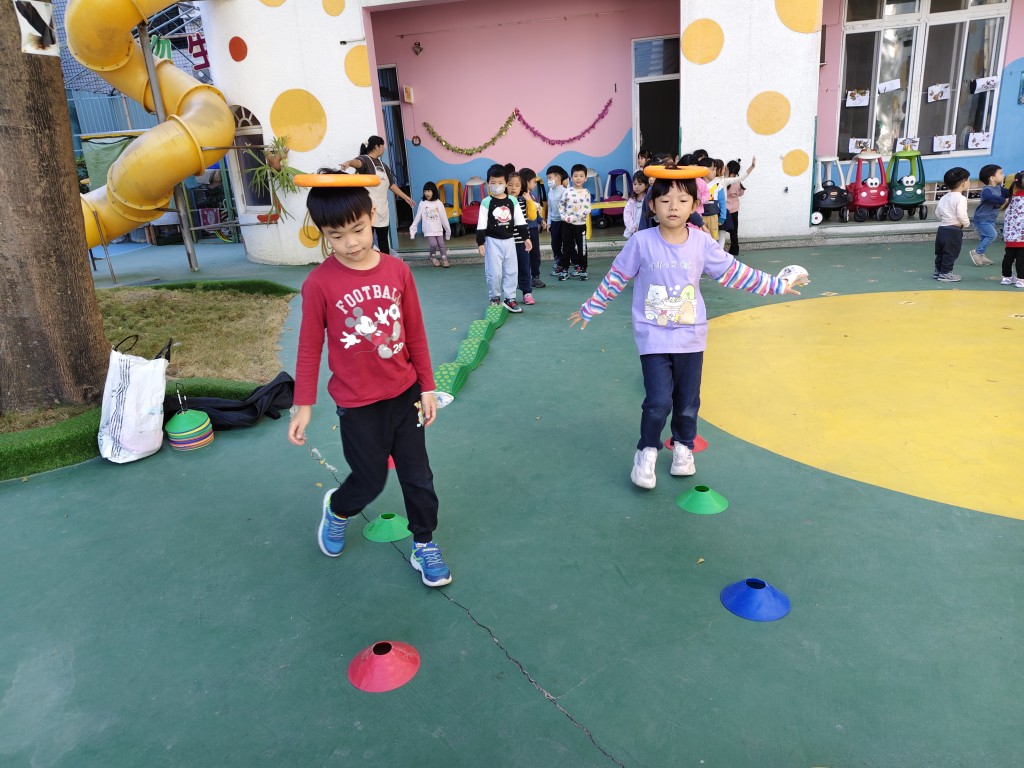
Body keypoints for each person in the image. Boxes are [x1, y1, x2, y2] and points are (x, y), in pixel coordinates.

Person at [567, 167, 802, 489]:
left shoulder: (702, 244)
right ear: (653, 206)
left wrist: (776, 286)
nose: (673, 207)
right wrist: (590, 308)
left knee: (688, 402)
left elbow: (734, 273)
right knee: (658, 401)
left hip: (691, 338)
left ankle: (683, 448)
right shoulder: (641, 242)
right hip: (653, 336)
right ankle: (646, 452)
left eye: (682, 200)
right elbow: (616, 277)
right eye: (665, 201)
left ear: (694, 205)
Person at [287, 172, 452, 587]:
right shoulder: (319, 283)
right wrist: (303, 404)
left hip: (405, 394)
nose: (351, 243)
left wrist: (427, 386)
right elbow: (309, 347)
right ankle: (338, 510)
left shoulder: (397, 271)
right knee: (370, 480)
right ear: (323, 233)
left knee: (418, 476)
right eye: (336, 236)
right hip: (357, 403)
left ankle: (424, 542)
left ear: (372, 215)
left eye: (358, 229)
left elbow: (414, 332)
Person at [338, 135, 415, 256]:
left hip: (383, 208)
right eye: (382, 146)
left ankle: (385, 261)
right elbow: (357, 163)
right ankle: (366, 261)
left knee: (383, 240)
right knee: (367, 240)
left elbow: (391, 185)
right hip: (369, 209)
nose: (383, 149)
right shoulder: (366, 160)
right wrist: (349, 163)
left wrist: (406, 197)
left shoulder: (384, 166)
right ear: (377, 146)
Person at [477, 164, 530, 313]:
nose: (497, 186)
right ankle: (494, 296)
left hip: (509, 241)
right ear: (488, 183)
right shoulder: (486, 202)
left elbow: (520, 221)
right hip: (492, 241)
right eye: (493, 182)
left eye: (500, 182)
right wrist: (480, 242)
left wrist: (526, 238)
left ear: (506, 183)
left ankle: (509, 299)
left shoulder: (512, 201)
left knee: (511, 271)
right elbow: (481, 223)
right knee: (495, 272)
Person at [933, 167, 971, 282]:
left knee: (941, 251)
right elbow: (961, 214)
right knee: (951, 252)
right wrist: (966, 223)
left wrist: (944, 220)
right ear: (964, 183)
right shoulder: (961, 198)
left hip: (942, 228)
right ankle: (946, 273)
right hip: (954, 230)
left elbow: (937, 212)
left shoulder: (944, 197)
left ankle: (938, 270)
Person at [557, 163, 592, 281]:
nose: (578, 178)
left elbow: (586, 209)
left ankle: (583, 269)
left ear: (585, 178)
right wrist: (564, 216)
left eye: (581, 176)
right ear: (571, 178)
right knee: (566, 248)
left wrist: (572, 218)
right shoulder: (567, 192)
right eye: (576, 176)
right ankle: (565, 269)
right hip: (567, 225)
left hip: (580, 226)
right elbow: (561, 205)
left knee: (582, 248)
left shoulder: (586, 193)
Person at [506, 172, 536, 305]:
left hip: (522, 242)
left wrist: (529, 200)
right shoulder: (502, 202)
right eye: (510, 184)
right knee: (509, 270)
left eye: (517, 185)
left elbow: (532, 216)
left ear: (521, 187)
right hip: (507, 243)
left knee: (524, 268)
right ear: (505, 186)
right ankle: (510, 296)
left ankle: (527, 293)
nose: (513, 188)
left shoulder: (522, 201)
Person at [970, 164, 1008, 267]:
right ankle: (977, 252)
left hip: (991, 218)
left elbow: (1009, 193)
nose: (1003, 175)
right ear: (992, 178)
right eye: (1000, 173)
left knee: (985, 237)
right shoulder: (986, 190)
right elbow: (989, 198)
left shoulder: (999, 188)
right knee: (992, 235)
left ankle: (981, 255)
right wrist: (1004, 200)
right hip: (982, 218)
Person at [409, 181, 451, 267]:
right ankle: (433, 257)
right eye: (425, 191)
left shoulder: (439, 203)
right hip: (428, 229)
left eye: (428, 191)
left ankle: (444, 258)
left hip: (438, 229)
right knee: (433, 244)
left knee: (441, 244)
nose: (426, 193)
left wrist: (448, 232)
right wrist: (413, 230)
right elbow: (418, 217)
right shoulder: (423, 203)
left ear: (433, 191)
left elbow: (444, 218)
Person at [723, 157, 756, 256]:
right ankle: (734, 249)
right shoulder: (737, 181)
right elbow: (741, 193)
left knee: (721, 231)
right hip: (734, 209)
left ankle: (719, 250)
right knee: (734, 231)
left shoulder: (723, 180)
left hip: (724, 210)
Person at [520, 167, 545, 289]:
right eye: (534, 182)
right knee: (524, 255)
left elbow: (535, 212)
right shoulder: (520, 198)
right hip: (524, 230)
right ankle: (524, 279)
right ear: (526, 182)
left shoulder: (533, 196)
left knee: (535, 254)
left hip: (534, 229)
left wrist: (541, 220)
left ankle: (535, 277)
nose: (535, 184)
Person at [998, 171, 1024, 287]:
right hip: (1022, 236)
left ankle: (1006, 277)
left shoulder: (1011, 199)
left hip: (1010, 236)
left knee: (1008, 257)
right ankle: (1021, 279)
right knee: (1021, 259)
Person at [545, 165, 568, 276]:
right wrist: (549, 222)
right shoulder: (550, 192)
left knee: (566, 243)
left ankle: (565, 264)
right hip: (554, 222)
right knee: (555, 244)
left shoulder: (565, 192)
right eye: (548, 178)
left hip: (564, 222)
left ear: (558, 178)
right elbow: (549, 208)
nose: (548, 180)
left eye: (550, 178)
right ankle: (558, 261)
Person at [623, 171, 648, 238]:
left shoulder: (647, 199)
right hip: (633, 231)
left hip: (645, 230)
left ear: (646, 185)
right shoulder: (631, 200)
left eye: (640, 184)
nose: (637, 187)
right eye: (635, 184)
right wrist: (633, 227)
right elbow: (627, 215)